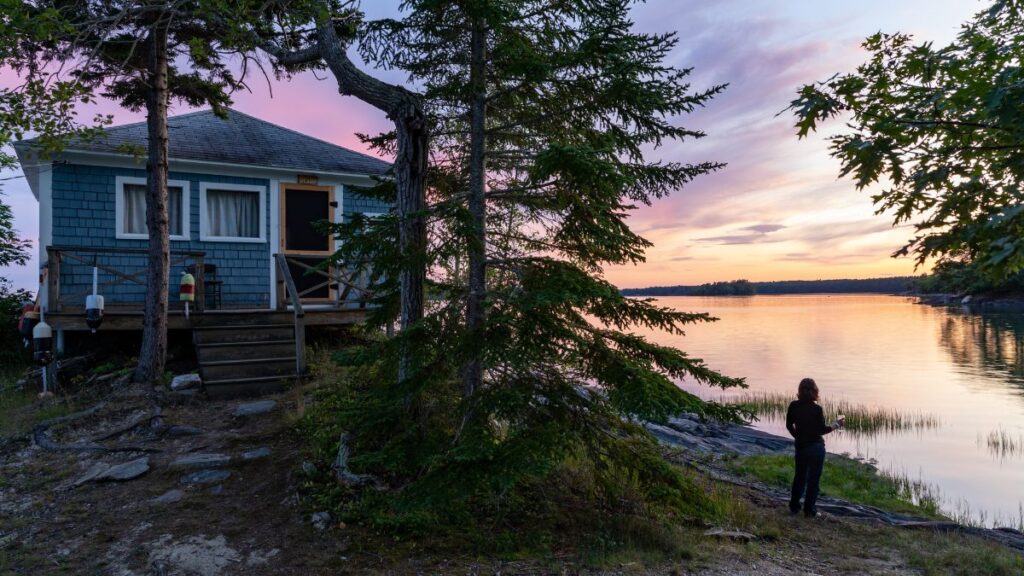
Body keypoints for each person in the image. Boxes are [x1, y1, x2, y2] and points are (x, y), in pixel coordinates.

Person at [785, 378, 843, 517]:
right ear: (815, 391)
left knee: (799, 477)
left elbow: (788, 425)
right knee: (813, 480)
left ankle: (794, 507)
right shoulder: (817, 409)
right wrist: (836, 424)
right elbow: (821, 430)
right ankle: (809, 511)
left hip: (801, 447)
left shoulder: (794, 405)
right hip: (816, 448)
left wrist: (797, 437)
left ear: (799, 390)